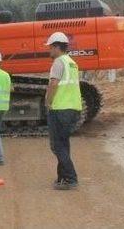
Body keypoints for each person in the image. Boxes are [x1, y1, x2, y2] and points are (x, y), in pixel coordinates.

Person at [45, 31, 83, 190]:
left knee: (57, 145)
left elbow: (54, 84)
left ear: (56, 47)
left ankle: (70, 178)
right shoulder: (72, 62)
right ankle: (62, 177)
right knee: (63, 144)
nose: (49, 51)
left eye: (50, 48)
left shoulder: (59, 62)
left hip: (60, 109)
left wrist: (48, 102)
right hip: (73, 108)